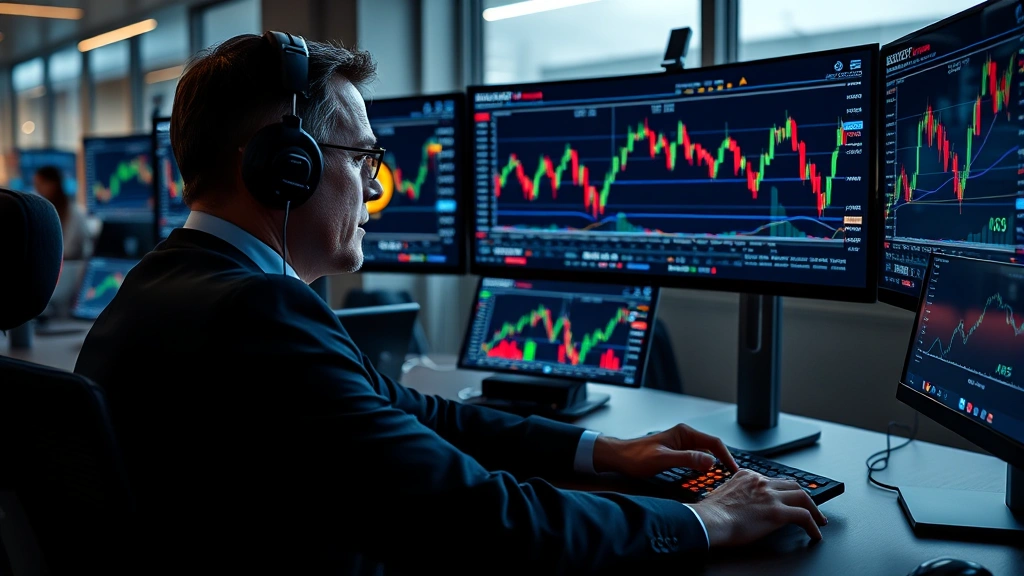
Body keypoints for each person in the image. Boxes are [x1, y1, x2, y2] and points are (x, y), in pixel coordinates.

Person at [74, 32, 826, 575]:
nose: (374, 188)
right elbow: (484, 520)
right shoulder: (258, 313)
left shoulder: (160, 284)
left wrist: (603, 450)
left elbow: (411, 410)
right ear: (286, 167)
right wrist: (703, 519)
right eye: (362, 159)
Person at [33, 165, 89, 260]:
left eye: (40, 184)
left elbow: (70, 250)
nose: (38, 190)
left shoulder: (75, 213)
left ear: (53, 184)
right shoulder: (42, 212)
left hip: (70, 265)